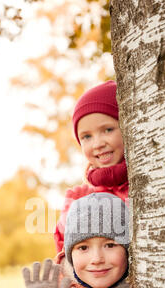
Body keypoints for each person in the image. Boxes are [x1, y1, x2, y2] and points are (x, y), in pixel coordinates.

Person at [54, 80, 128, 255]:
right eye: (86, 136)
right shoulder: (84, 197)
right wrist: (69, 221)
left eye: (108, 130)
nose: (97, 143)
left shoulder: (151, 180)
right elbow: (68, 259)